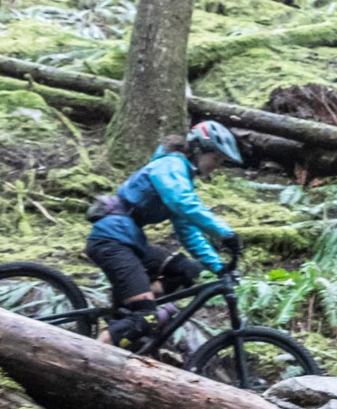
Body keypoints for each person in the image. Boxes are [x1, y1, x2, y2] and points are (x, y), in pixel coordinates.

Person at [88, 120, 245, 343]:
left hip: (129, 239)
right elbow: (183, 202)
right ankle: (91, 355)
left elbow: (187, 230)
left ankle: (130, 298)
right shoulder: (171, 165)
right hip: (112, 240)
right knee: (146, 317)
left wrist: (219, 267)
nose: (216, 165)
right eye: (216, 158)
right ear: (200, 149)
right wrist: (224, 233)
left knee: (185, 270)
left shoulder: (181, 176)